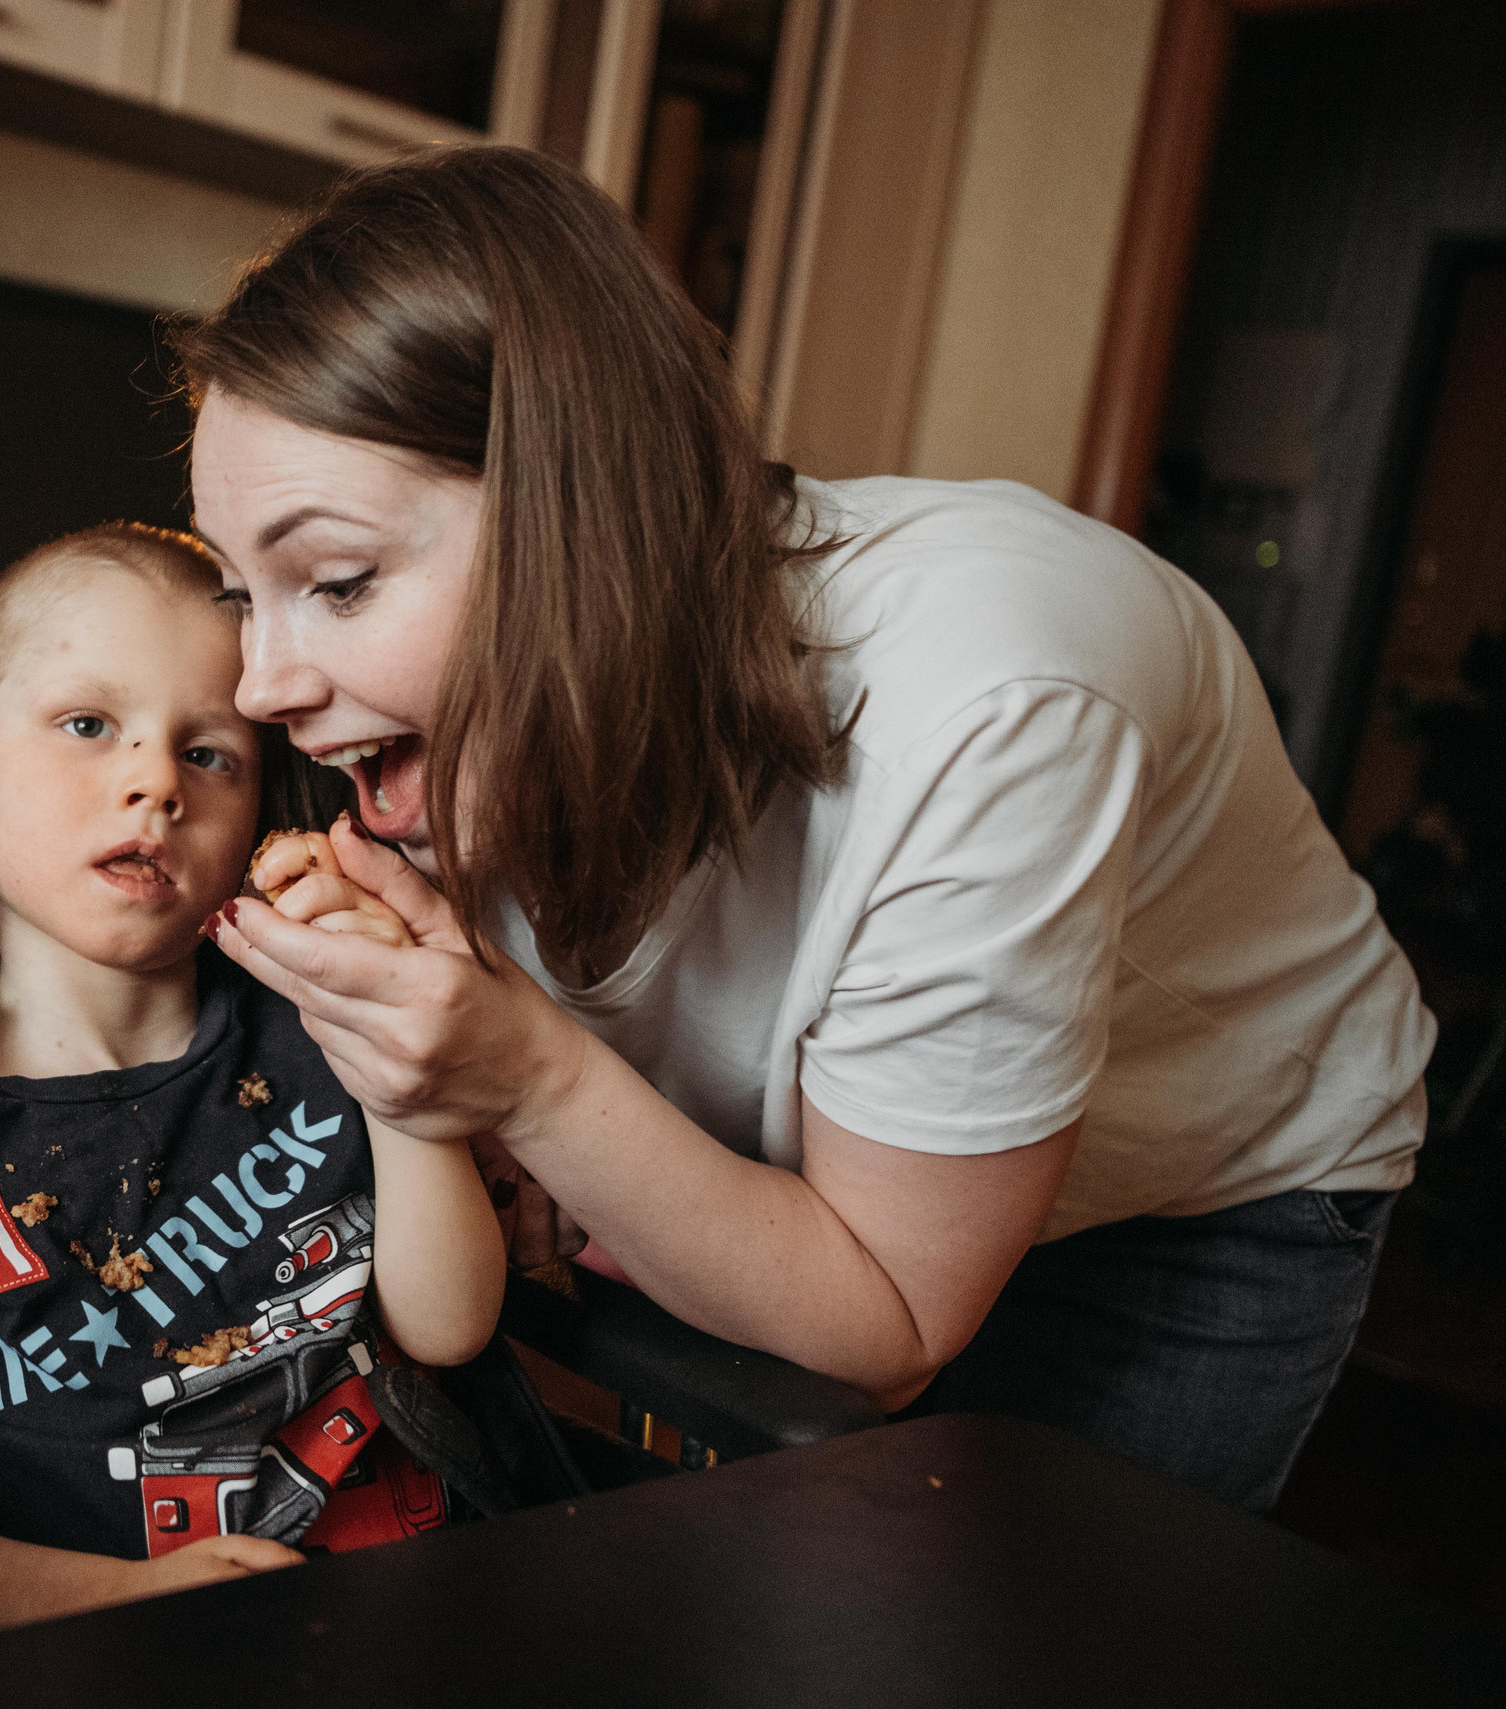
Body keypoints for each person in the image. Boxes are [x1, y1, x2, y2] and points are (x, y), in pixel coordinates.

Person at [184, 146, 1437, 1512]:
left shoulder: (992, 705)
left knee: (1038, 1602)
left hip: (1190, 1198)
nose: (261, 686)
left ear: (582, 512)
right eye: (241, 592)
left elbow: (886, 1316)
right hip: (832, 1173)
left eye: (339, 580)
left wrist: (533, 1082)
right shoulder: (466, 722)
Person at [0, 523, 505, 1637]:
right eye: (87, 725)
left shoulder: (314, 1027)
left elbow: (447, 1328)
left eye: (209, 754)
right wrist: (129, 1597)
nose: (156, 780)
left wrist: (383, 1032)